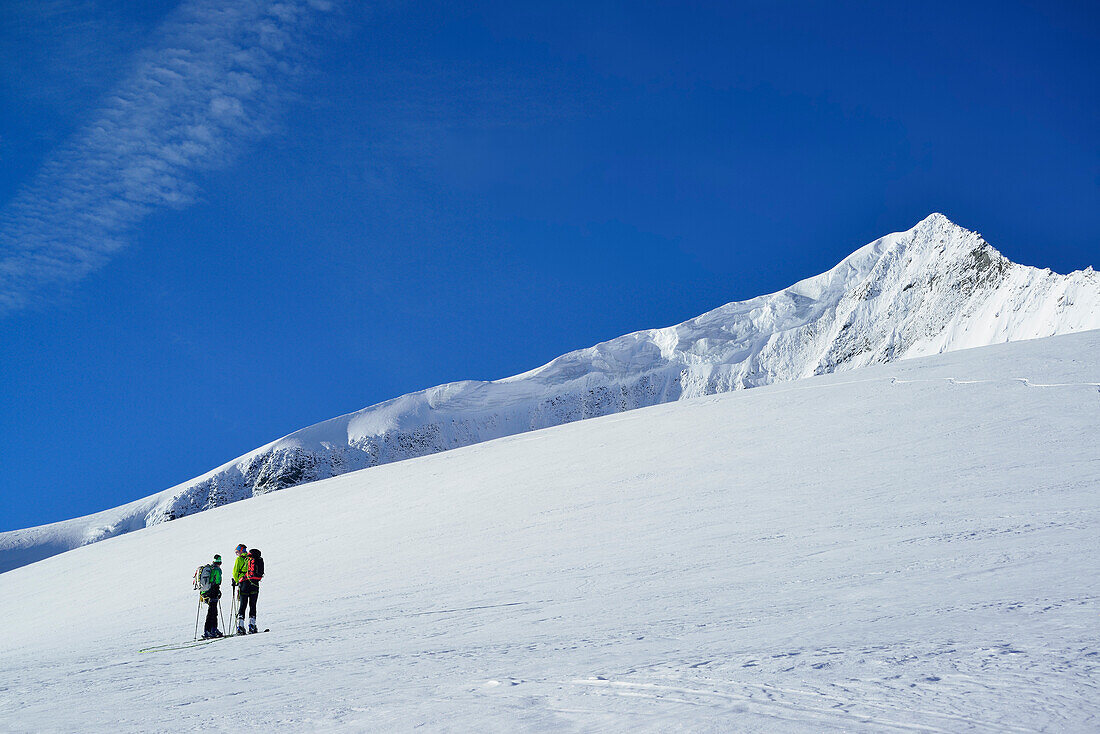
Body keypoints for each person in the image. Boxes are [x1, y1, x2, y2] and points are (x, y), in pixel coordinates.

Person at [235, 547, 264, 634]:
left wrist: (237, 581)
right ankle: (252, 626)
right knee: (253, 605)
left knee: (243, 605)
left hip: (244, 583)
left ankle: (240, 626)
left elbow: (235, 572)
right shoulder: (257, 560)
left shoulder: (244, 559)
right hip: (255, 583)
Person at [201, 554, 224, 639]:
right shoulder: (217, 570)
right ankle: (212, 630)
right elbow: (217, 582)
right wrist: (218, 591)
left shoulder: (209, 568)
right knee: (213, 612)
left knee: (211, 611)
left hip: (206, 592)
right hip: (212, 592)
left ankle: (208, 630)